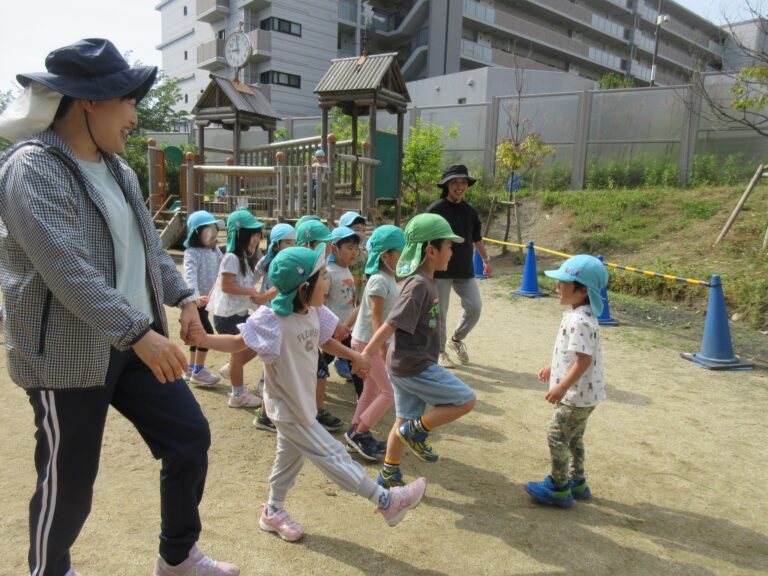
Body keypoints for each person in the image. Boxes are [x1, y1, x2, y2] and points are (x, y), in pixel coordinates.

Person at [0, 39, 237, 575]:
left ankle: (177, 557)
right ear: (90, 101)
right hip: (68, 354)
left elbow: (150, 247)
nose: (134, 114)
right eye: (128, 100)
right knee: (70, 484)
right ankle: (49, 571)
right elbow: (65, 267)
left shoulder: (119, 170)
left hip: (133, 341)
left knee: (188, 438)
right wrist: (138, 331)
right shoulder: (32, 169)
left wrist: (183, 299)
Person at [187, 245, 427, 541]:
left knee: (288, 460)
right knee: (333, 454)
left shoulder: (314, 311)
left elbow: (325, 341)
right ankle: (386, 500)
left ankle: (272, 511)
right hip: (289, 409)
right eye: (323, 276)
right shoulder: (273, 319)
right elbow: (238, 343)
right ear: (304, 288)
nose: (329, 282)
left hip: (302, 405)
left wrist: (357, 358)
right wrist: (204, 338)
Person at [363, 214, 477, 488]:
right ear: (431, 250)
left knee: (403, 418)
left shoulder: (426, 282)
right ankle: (416, 432)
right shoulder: (417, 285)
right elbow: (390, 324)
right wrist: (366, 354)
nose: (452, 251)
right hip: (414, 365)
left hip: (407, 364)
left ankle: (389, 472)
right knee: (466, 400)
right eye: (449, 246)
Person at [524, 255, 608, 508]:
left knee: (556, 436)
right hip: (585, 396)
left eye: (563, 283)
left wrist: (562, 386)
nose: (557, 287)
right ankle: (577, 481)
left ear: (583, 290)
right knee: (573, 438)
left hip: (575, 397)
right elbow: (573, 354)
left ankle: (559, 487)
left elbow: (583, 360)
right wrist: (553, 368)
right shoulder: (579, 314)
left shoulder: (580, 320)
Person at [347, 225, 405, 461]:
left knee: (371, 389)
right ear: (386, 255)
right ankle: (360, 432)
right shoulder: (379, 281)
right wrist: (381, 348)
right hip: (368, 344)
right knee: (388, 393)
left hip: (372, 343)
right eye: (400, 252)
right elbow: (375, 318)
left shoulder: (390, 278)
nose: (404, 256)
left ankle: (355, 430)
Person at [426, 164, 492, 369]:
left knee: (475, 307)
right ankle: (439, 352)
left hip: (465, 270)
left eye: (463, 182)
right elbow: (423, 239)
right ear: (447, 185)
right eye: (455, 182)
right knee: (440, 313)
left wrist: (486, 259)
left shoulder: (470, 212)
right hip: (440, 270)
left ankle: (456, 340)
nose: (459, 186)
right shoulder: (435, 210)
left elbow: (476, 238)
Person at [207, 207, 273, 408]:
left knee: (256, 344)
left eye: (257, 235)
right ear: (239, 236)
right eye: (251, 235)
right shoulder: (232, 258)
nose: (255, 239)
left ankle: (231, 371)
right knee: (239, 351)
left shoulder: (243, 258)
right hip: (228, 316)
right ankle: (237, 394)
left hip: (238, 313)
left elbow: (241, 282)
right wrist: (251, 293)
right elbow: (226, 286)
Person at [295, 218, 344, 432]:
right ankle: (269, 413)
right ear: (307, 245)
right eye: (323, 245)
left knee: (319, 369)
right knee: (283, 376)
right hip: (296, 331)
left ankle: (315, 409)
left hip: (308, 331)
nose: (328, 249)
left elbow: (318, 305)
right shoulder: (299, 269)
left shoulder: (319, 267)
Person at [252, 223, 296, 432]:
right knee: (272, 357)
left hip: (280, 312)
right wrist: (257, 297)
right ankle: (265, 409)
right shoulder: (271, 262)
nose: (291, 245)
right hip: (270, 313)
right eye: (288, 242)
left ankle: (267, 401)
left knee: (274, 358)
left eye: (294, 242)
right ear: (276, 244)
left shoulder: (290, 261)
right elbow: (263, 281)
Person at [182, 210, 225, 386]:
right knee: (205, 334)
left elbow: (225, 265)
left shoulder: (215, 251)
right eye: (208, 231)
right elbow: (189, 276)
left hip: (207, 300)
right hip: (196, 302)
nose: (213, 235)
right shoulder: (192, 252)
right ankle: (198, 371)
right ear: (196, 234)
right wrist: (195, 296)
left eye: (214, 230)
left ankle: (191, 367)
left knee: (196, 333)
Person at [324, 226, 365, 399]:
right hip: (333, 329)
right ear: (335, 248)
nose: (354, 252)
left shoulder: (346, 268)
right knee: (325, 360)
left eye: (356, 248)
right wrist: (332, 326)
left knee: (353, 360)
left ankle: (361, 395)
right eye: (349, 248)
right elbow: (322, 301)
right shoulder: (328, 272)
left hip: (347, 327)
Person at [333, 211, 368, 381]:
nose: (360, 232)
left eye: (363, 229)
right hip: (338, 303)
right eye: (356, 228)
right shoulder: (336, 262)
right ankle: (340, 361)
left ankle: (345, 362)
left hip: (355, 295)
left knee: (350, 333)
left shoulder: (362, 251)